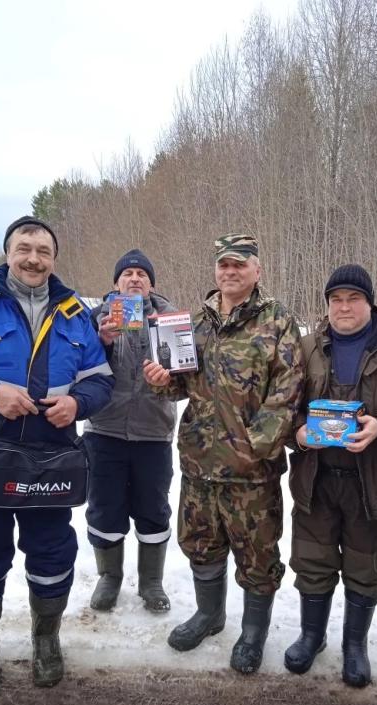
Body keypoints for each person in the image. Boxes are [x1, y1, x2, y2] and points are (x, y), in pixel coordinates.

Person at [0, 216, 113, 699]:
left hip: (50, 461)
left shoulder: (77, 313)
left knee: (53, 556)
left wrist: (79, 403)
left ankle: (46, 638)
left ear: (54, 259)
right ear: (7, 253)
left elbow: (101, 380)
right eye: (24, 248)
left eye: (43, 250)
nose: (34, 258)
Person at [144, 233, 304, 674]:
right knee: (201, 545)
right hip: (199, 464)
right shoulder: (194, 323)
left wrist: (254, 448)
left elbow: (288, 393)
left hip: (252, 471)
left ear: (257, 270)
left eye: (240, 264)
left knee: (258, 558)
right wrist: (160, 378)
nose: (231, 272)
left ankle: (252, 634)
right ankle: (210, 615)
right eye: (224, 265)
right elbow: (179, 387)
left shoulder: (278, 322)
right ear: (216, 270)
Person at [285, 264, 377, 686]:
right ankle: (311, 636)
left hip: (374, 481)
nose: (344, 307)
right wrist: (299, 434)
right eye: (336, 299)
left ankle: (354, 644)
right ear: (327, 305)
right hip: (317, 478)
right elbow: (285, 405)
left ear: (370, 302)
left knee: (365, 567)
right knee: (312, 561)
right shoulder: (308, 347)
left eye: (353, 298)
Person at [84, 249, 176, 613]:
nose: (135, 278)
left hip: (153, 431)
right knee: (105, 507)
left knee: (153, 507)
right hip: (104, 429)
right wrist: (102, 342)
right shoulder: (95, 319)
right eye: (128, 273)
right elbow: (78, 367)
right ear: (115, 283)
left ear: (151, 283)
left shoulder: (170, 318)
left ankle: (152, 581)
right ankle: (110, 577)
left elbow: (187, 376)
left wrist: (171, 366)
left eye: (142, 273)